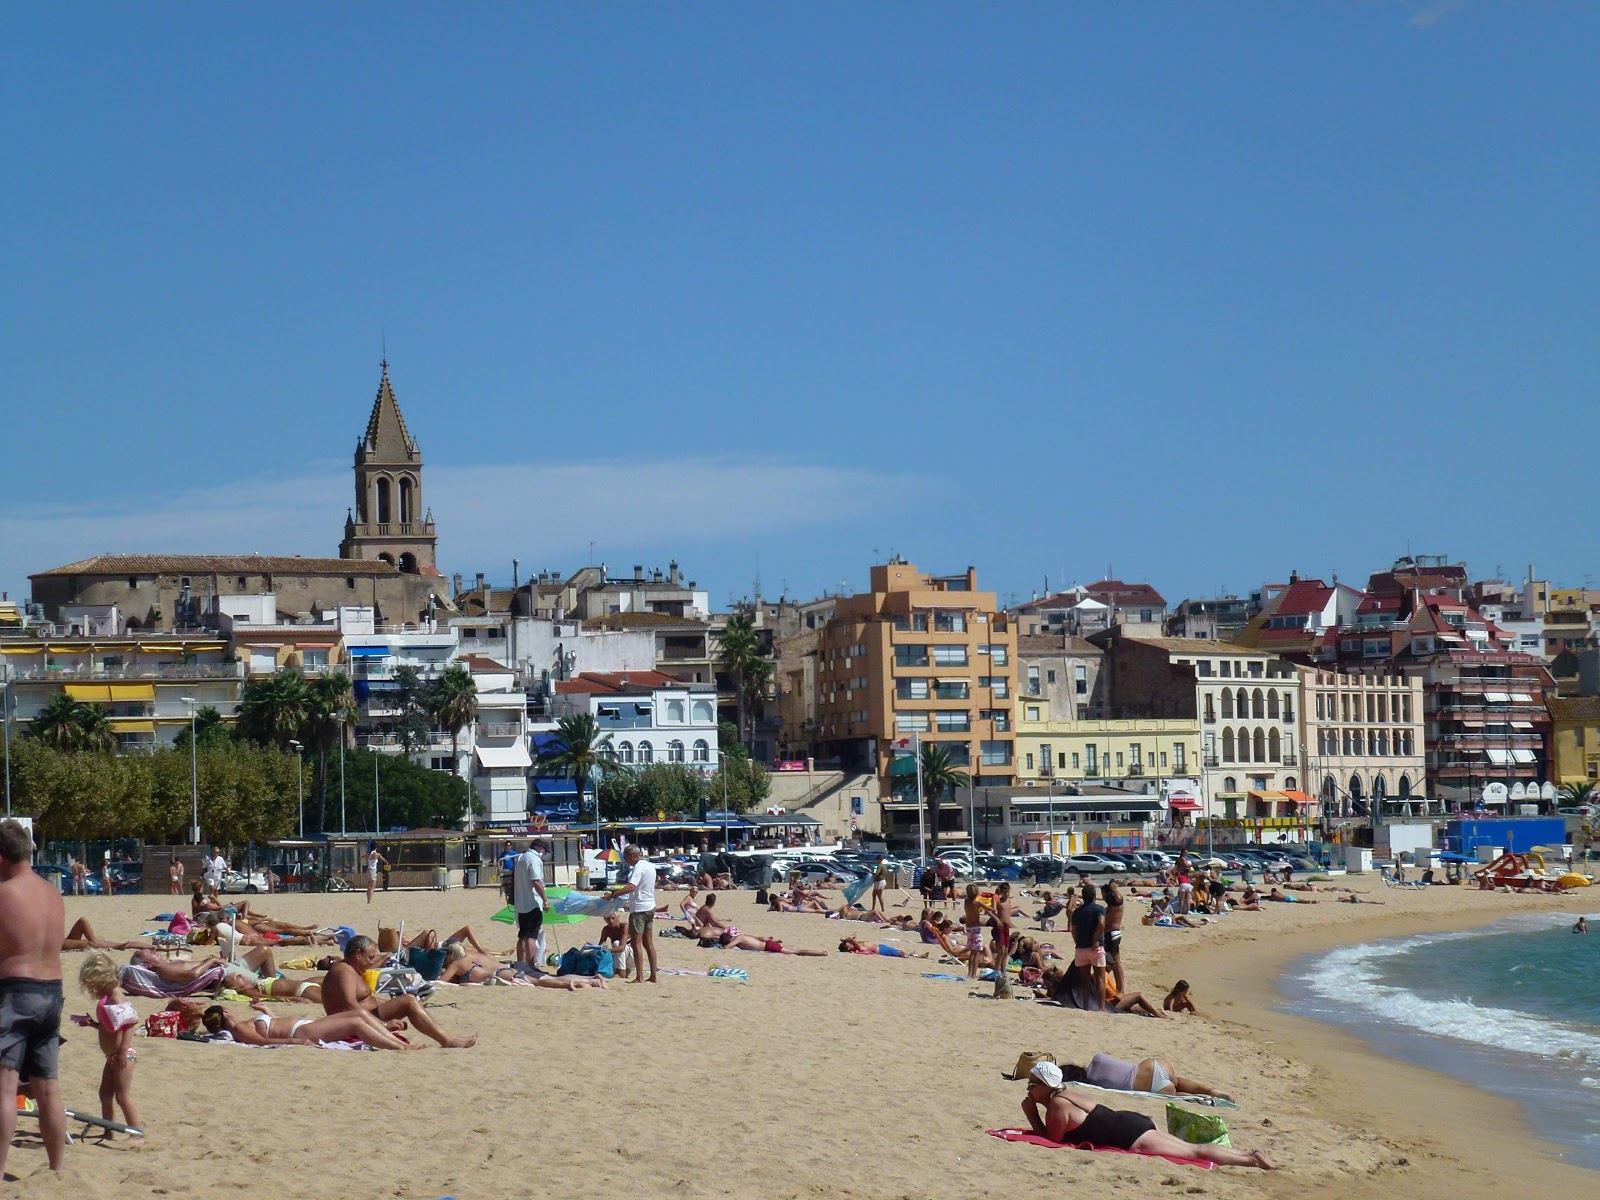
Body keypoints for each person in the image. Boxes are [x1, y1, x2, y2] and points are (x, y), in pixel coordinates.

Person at [1020, 1061, 1273, 1167]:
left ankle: (1250, 1161)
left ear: (1045, 1087)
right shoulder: (1068, 1094)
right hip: (1129, 1122)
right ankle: (1248, 1154)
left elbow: (1051, 1140)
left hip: (1130, 1136)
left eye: (1032, 1085)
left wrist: (1032, 1115)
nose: (1029, 1090)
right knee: (1190, 1146)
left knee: (1193, 1152)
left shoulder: (1056, 1108)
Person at [0, 818, 68, 1177]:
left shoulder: (4, 893)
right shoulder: (52, 894)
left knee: (5, 1085)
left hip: (16, 992)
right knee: (48, 1089)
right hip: (52, 992)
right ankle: (56, 1168)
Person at [322, 936, 476, 1047]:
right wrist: (383, 1024)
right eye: (369, 957)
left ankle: (447, 1038)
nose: (371, 962)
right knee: (408, 1000)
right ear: (357, 954)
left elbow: (362, 1001)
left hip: (367, 1016)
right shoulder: (343, 972)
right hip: (350, 1024)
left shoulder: (352, 970)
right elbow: (350, 1006)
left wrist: (392, 1006)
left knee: (410, 1000)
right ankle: (447, 1040)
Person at [76, 952, 143, 1141]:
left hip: (124, 1055)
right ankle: (108, 1130)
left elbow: (130, 1024)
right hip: (111, 1056)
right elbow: (112, 1027)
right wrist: (93, 1024)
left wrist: (122, 1050)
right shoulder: (106, 1000)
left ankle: (136, 1133)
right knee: (105, 1094)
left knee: (122, 1096)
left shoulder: (117, 998)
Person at [201, 1002, 414, 1049]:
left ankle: (391, 1036)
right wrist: (297, 1041)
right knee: (356, 1023)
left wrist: (265, 1011)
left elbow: (270, 1026)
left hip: (303, 1025)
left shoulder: (242, 1024)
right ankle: (399, 1047)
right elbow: (265, 1041)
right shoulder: (238, 1028)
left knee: (360, 1013)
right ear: (225, 1012)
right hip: (301, 1031)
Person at [1056, 1051, 1233, 1102]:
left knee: (1174, 1093)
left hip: (1152, 1088)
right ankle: (1212, 1091)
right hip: (1154, 1066)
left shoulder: (1093, 1086)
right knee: (1177, 1080)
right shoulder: (1098, 1059)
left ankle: (1202, 1100)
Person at [606, 845, 659, 983]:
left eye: (625, 857)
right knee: (649, 943)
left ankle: (640, 976)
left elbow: (632, 886)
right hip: (649, 906)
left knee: (637, 943)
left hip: (640, 910)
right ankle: (653, 975)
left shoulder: (638, 867)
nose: (625, 860)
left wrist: (614, 894)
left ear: (632, 855)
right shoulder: (649, 866)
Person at [1069, 882, 1107, 1011]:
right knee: (1100, 979)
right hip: (1095, 948)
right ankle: (1101, 1008)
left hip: (1081, 947)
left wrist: (1077, 942)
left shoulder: (1077, 911)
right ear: (1094, 896)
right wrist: (1096, 939)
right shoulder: (1099, 909)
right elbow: (1101, 924)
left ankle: (1085, 1006)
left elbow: (1073, 930)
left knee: (1084, 980)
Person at [512, 840, 548, 968]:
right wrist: (545, 900)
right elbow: (536, 881)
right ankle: (531, 965)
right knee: (531, 937)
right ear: (539, 849)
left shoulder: (520, 858)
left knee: (522, 935)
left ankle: (520, 963)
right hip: (533, 902)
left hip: (520, 903)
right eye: (544, 851)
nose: (544, 855)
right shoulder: (534, 859)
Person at [1101, 879, 1125, 995]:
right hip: (1108, 935)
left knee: (1116, 962)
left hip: (1113, 934)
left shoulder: (1117, 903)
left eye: (1104, 894)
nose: (1103, 897)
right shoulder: (1109, 906)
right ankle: (1109, 985)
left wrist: (1113, 887)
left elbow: (1120, 898)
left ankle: (1121, 989)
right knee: (1107, 961)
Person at [836, 936, 927, 958]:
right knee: (900, 953)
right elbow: (852, 939)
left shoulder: (856, 946)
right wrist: (845, 940)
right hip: (881, 950)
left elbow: (853, 936)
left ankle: (912, 954)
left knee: (899, 951)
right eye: (847, 945)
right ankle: (917, 956)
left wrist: (845, 940)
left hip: (880, 947)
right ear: (848, 948)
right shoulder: (858, 948)